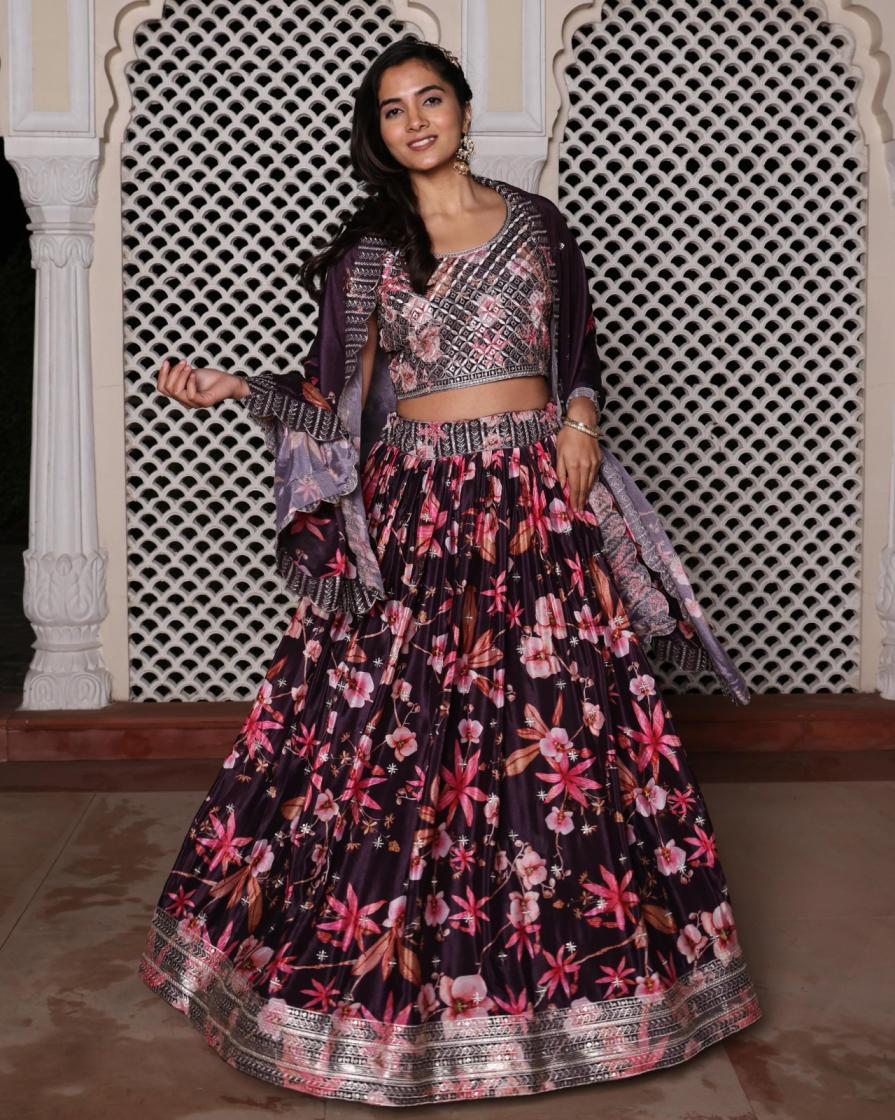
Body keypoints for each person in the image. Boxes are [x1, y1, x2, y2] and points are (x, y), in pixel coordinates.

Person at [138, 35, 761, 1107]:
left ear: (464, 111)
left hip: (536, 497)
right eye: (393, 109)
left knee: (561, 730)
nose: (416, 120)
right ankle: (370, 992)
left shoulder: (538, 225)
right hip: (420, 508)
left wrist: (578, 418)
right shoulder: (368, 255)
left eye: (431, 99)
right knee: (393, 737)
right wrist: (234, 389)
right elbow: (331, 405)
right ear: (377, 133)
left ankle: (589, 993)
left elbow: (578, 356)